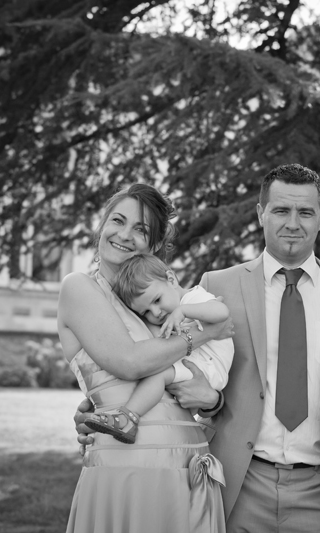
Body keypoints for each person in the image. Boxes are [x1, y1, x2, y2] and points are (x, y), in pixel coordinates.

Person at [199, 164, 320, 533]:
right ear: (261, 213)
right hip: (238, 486)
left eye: (306, 212)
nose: (293, 223)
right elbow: (188, 375)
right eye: (281, 210)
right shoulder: (217, 287)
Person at [59, 183, 234, 533]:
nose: (124, 234)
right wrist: (207, 332)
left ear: (154, 245)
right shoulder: (79, 286)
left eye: (140, 229)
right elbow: (130, 362)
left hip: (189, 466)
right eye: (117, 220)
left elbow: (189, 380)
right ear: (101, 225)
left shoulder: (156, 303)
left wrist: (210, 399)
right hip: (128, 469)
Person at [84, 253, 234, 444]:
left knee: (159, 374)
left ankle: (127, 417)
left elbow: (222, 312)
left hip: (209, 368)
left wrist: (183, 311)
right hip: (201, 365)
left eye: (156, 300)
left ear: (171, 279)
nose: (156, 312)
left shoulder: (193, 297)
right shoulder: (170, 313)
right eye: (146, 311)